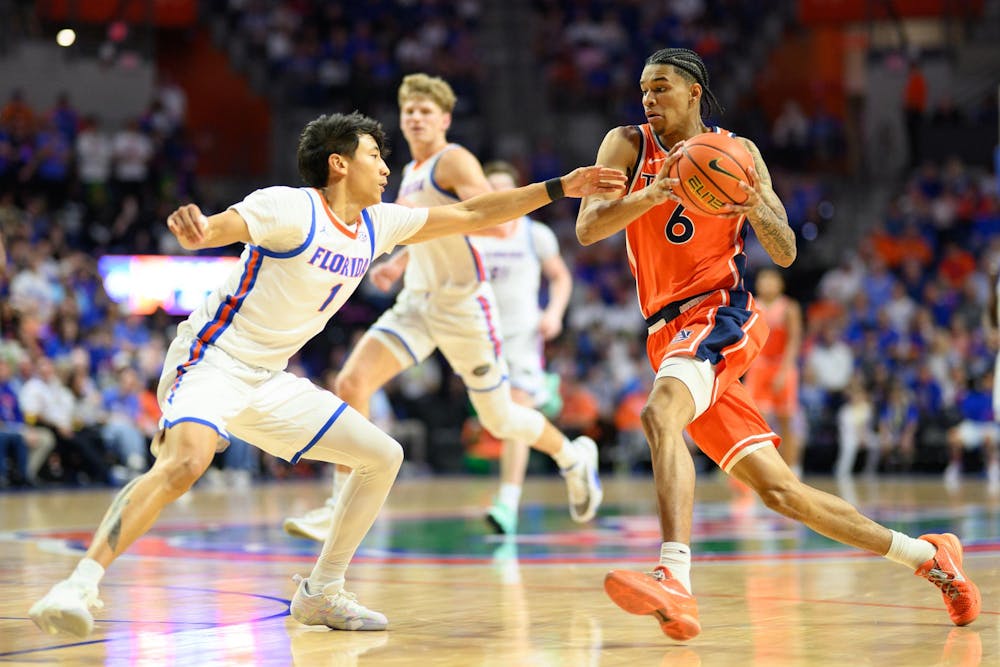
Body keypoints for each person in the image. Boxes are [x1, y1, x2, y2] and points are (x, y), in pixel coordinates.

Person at [28, 111, 625, 638]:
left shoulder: (378, 224)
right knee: (186, 463)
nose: (386, 167)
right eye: (374, 155)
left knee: (382, 455)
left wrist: (561, 187)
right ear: (339, 163)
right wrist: (201, 230)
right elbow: (222, 227)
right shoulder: (290, 207)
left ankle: (321, 592)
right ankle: (79, 585)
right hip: (212, 360)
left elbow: (472, 212)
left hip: (268, 378)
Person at [574, 47, 980, 641]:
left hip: (720, 312)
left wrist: (754, 205)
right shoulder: (627, 144)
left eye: (660, 87)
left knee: (660, 413)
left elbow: (786, 250)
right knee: (781, 492)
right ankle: (929, 557)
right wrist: (657, 193)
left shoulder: (739, 152)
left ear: (693, 92)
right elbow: (589, 227)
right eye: (643, 89)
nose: (648, 98)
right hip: (665, 332)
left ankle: (675, 579)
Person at [283, 74, 603, 542]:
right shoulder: (410, 172)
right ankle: (338, 505)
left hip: (463, 306)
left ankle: (573, 457)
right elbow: (426, 230)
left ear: (445, 120)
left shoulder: (453, 160)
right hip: (417, 302)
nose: (415, 117)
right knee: (352, 382)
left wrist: (481, 215)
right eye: (409, 110)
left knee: (499, 419)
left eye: (425, 111)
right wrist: (399, 263)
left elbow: (492, 222)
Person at [473, 160, 573, 535]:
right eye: (490, 188)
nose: (497, 194)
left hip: (522, 337)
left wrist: (554, 313)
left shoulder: (535, 233)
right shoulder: (470, 231)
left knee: (515, 410)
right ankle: (544, 394)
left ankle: (508, 503)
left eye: (504, 187)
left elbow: (560, 277)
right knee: (496, 420)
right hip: (478, 337)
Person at [743, 268, 802, 477]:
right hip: (759, 365)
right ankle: (763, 470)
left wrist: (785, 371)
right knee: (757, 420)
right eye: (764, 279)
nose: (767, 283)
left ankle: (793, 469)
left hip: (781, 365)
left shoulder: (789, 308)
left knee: (786, 419)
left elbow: (794, 341)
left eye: (771, 279)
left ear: (780, 284)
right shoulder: (751, 305)